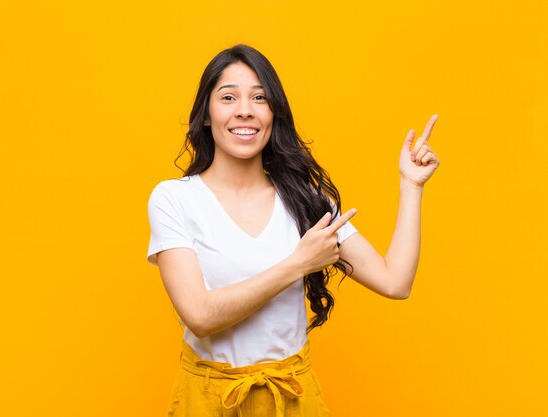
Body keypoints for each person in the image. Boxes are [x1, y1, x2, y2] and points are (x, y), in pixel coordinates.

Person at [146, 44, 440, 417]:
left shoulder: (305, 201)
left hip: (293, 398)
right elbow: (200, 317)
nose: (245, 110)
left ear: (274, 114)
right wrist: (298, 263)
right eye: (228, 97)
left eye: (260, 97)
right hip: (207, 401)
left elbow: (395, 282)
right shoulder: (174, 199)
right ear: (206, 114)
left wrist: (411, 186)